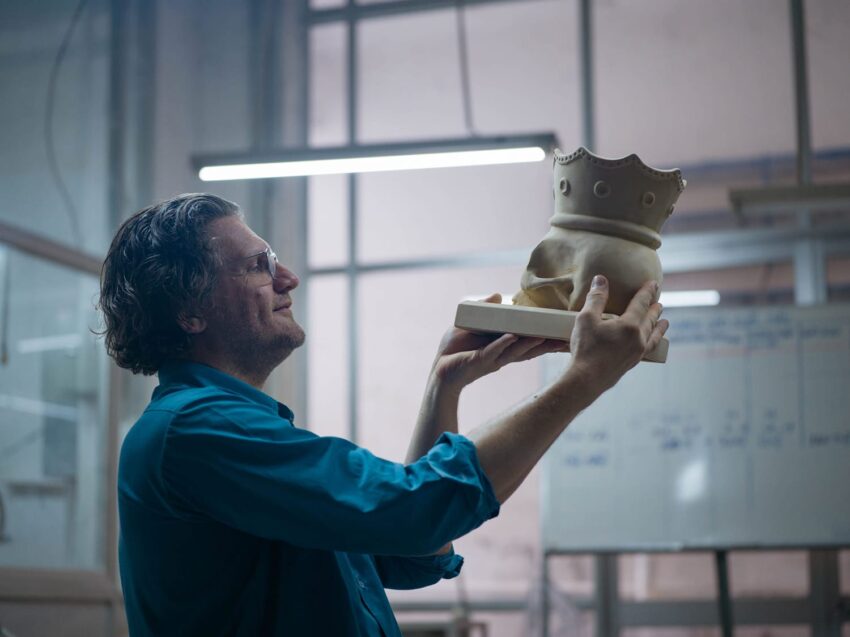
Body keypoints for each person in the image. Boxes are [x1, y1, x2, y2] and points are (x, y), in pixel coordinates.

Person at [100, 193, 667, 636]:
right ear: (189, 311)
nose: (287, 278)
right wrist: (583, 378)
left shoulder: (240, 430)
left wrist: (445, 383)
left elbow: (412, 549)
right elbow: (416, 511)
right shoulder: (198, 432)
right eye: (256, 266)